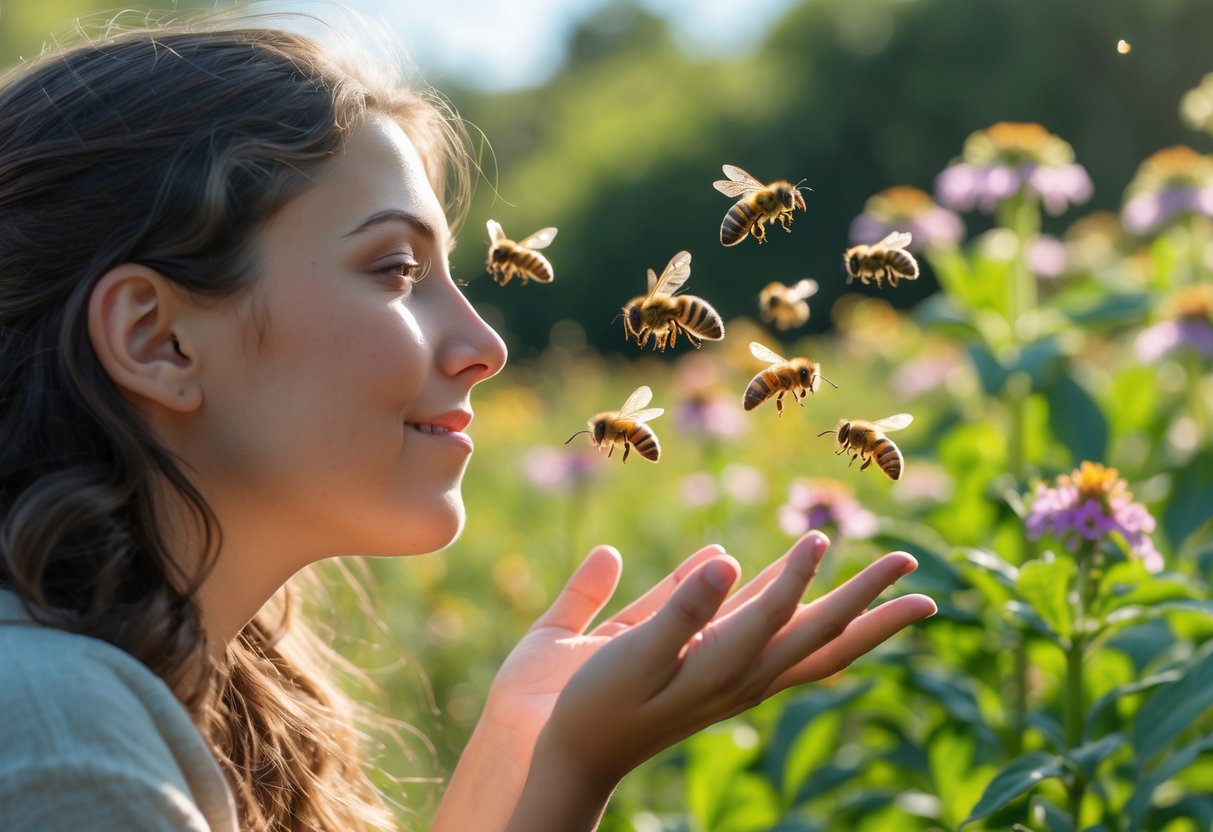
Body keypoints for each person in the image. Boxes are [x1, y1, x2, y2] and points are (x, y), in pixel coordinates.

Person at [0, 15, 937, 832]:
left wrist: (520, 753)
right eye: (395, 271)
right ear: (158, 339)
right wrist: (571, 772)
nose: (484, 344)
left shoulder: (118, 700)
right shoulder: (60, 735)